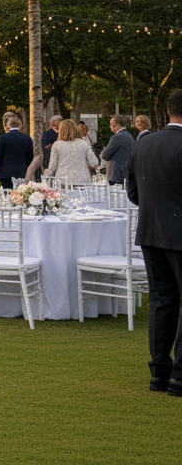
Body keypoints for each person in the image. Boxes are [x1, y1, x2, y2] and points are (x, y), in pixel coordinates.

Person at [125, 89, 182, 396]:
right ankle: (179, 377)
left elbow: (133, 192)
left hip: (150, 232)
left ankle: (159, 373)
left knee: (161, 300)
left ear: (168, 111)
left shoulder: (143, 144)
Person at [44, 119, 99, 185]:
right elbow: (94, 162)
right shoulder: (84, 144)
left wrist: (45, 177)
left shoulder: (57, 145)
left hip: (63, 181)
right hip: (82, 181)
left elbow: (52, 168)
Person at [0, 113, 35, 190]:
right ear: (19, 125)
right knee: (20, 193)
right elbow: (30, 158)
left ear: (8, 125)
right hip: (22, 172)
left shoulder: (3, 138)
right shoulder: (27, 138)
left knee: (7, 193)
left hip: (6, 173)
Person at [102, 114, 135, 186]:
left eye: (111, 124)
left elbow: (105, 155)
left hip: (116, 174)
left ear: (115, 124)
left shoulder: (117, 137)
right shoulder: (129, 136)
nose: (110, 127)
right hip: (125, 172)